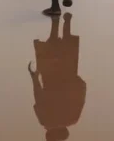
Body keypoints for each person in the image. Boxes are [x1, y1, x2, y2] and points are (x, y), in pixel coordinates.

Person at [29, 13, 87, 141]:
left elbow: (81, 92)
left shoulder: (73, 118)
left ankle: (66, 21)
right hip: (50, 76)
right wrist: (34, 78)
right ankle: (55, 21)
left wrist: (77, 80)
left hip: (68, 75)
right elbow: (38, 97)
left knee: (67, 46)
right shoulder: (44, 120)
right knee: (52, 43)